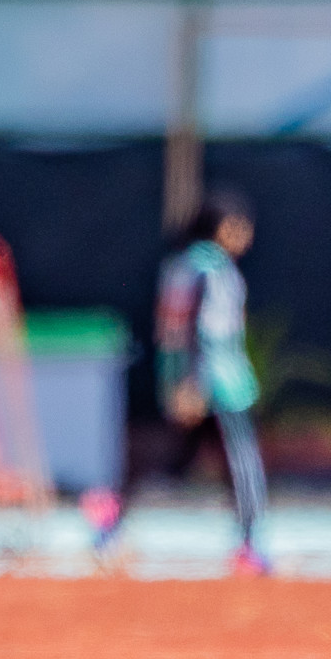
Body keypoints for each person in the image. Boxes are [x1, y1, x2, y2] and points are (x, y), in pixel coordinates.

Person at [90, 192, 269, 576]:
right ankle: (252, 545)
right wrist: (192, 381)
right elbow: (195, 329)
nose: (246, 234)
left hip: (200, 382)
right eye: (238, 225)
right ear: (219, 227)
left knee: (173, 459)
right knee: (242, 464)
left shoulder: (183, 266)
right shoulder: (210, 269)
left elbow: (171, 331)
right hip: (219, 385)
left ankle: (109, 514)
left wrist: (177, 380)